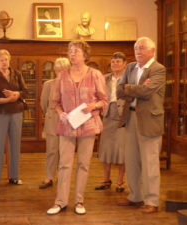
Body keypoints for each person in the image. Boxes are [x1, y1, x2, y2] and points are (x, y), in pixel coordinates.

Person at [47, 40, 108, 215]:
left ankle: (79, 201)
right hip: (67, 126)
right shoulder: (62, 75)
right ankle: (60, 202)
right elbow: (55, 102)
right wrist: (60, 113)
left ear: (85, 55)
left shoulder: (95, 74)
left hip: (88, 125)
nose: (72, 54)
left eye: (76, 51)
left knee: (83, 164)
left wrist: (93, 106)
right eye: (70, 51)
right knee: (64, 164)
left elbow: (103, 100)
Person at [116, 37, 166, 213]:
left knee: (150, 163)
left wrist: (129, 87)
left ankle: (151, 200)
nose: (138, 51)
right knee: (131, 161)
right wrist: (134, 87)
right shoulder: (130, 67)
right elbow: (118, 90)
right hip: (130, 118)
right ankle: (135, 196)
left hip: (150, 121)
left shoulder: (158, 69)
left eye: (142, 48)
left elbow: (147, 92)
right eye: (136, 48)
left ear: (152, 51)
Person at [0, 49, 28, 187]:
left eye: (6, 59)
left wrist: (15, 94)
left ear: (9, 60)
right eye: (1, 60)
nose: (4, 62)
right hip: (0, 114)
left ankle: (14, 177)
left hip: (16, 113)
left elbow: (25, 92)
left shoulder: (17, 74)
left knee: (15, 145)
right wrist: (6, 100)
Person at [95, 52, 127, 192]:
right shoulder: (104, 78)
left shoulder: (129, 78)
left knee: (122, 150)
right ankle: (106, 179)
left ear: (124, 63)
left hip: (124, 116)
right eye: (113, 62)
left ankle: (120, 181)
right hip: (107, 115)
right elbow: (97, 94)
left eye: (118, 61)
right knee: (106, 148)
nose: (115, 64)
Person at [39, 57, 70, 189]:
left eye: (64, 69)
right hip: (52, 121)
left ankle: (62, 178)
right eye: (58, 70)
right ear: (55, 70)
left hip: (67, 122)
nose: (61, 72)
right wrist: (53, 115)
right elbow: (43, 104)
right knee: (52, 150)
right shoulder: (48, 85)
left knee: (65, 151)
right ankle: (49, 177)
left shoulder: (73, 84)